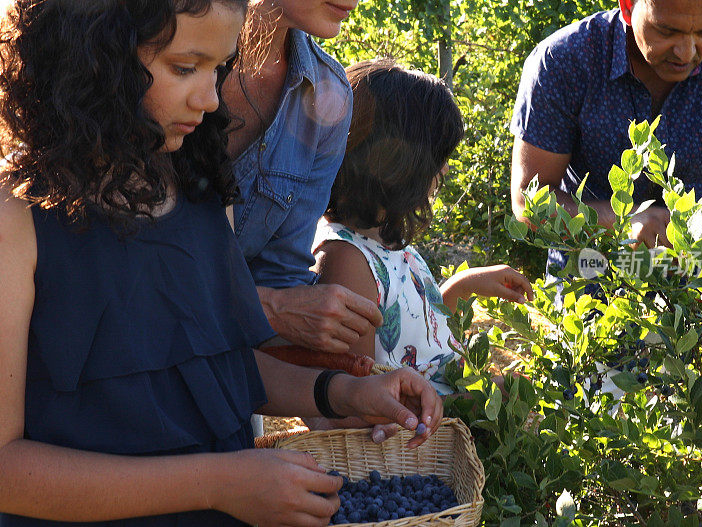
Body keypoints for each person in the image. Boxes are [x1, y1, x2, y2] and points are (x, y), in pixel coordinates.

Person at [0, 2, 442, 526]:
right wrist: (219, 483)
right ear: (93, 58)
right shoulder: (19, 219)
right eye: (185, 68)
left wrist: (343, 393)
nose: (210, 99)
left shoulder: (202, 193)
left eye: (219, 69)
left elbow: (219, 366)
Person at [313, 58, 534, 397]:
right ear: (396, 163)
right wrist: (476, 402)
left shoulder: (388, 243)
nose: (444, 170)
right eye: (437, 159)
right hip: (411, 445)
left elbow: (411, 339)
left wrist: (461, 287)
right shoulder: (348, 261)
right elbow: (362, 402)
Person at [510, 0, 702, 276]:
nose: (686, 52)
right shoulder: (565, 61)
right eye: (666, 31)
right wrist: (620, 220)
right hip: (590, 281)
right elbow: (529, 201)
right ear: (627, 7)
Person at [223, 0, 384, 356]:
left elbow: (280, 276)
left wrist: (348, 388)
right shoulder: (147, 46)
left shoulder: (329, 94)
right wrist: (272, 308)